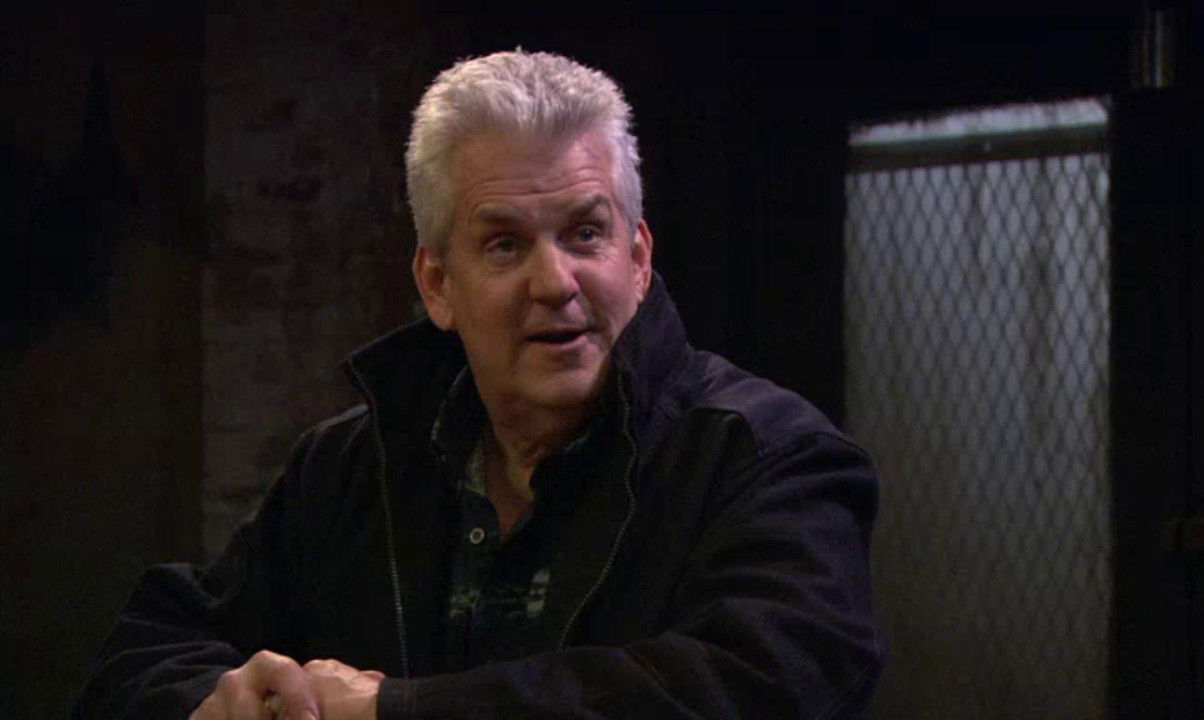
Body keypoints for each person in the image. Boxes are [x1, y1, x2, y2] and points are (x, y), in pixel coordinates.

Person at [75, 50, 883, 720]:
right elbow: (141, 654)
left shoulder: (768, 458)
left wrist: (395, 710)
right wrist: (217, 703)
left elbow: (763, 687)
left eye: (585, 233)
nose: (555, 282)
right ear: (437, 284)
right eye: (504, 245)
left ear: (637, 259)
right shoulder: (351, 467)